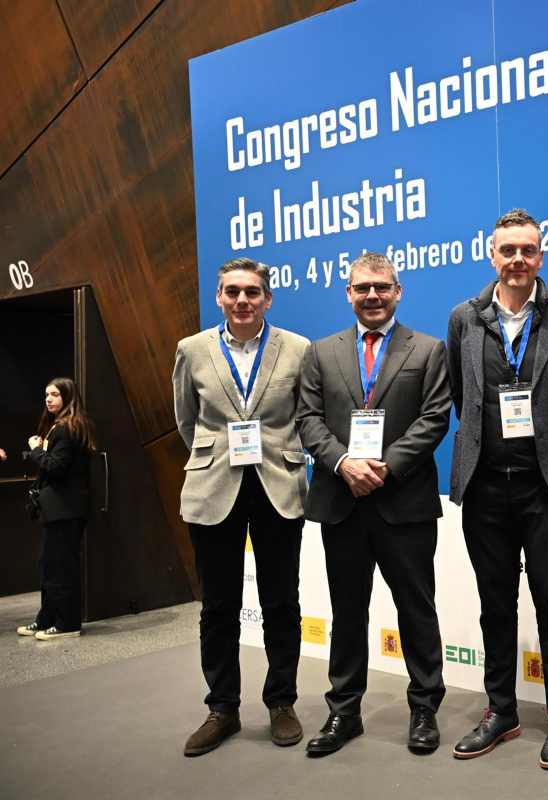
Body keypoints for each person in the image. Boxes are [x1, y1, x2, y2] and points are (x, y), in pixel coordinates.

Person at [446, 209, 548, 770]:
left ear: (541, 255)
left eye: (527, 250)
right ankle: (501, 710)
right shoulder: (464, 318)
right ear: (492, 255)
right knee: (494, 605)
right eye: (507, 251)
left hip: (546, 488)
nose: (517, 260)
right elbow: (464, 398)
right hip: (485, 488)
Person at [298, 252, 451, 757]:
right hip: (342, 502)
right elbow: (309, 419)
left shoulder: (428, 350)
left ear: (398, 290)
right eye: (362, 287)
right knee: (346, 611)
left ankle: (424, 709)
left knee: (416, 609)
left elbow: (433, 419)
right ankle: (344, 711)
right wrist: (343, 463)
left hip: (402, 501)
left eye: (382, 287)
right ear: (348, 292)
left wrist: (384, 466)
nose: (372, 296)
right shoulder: (321, 353)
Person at [172, 257, 310, 756]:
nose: (242, 301)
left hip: (278, 482)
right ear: (219, 298)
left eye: (252, 292)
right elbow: (186, 420)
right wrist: (216, 456)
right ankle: (222, 708)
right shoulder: (192, 350)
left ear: (267, 299)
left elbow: (304, 414)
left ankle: (281, 703)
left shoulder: (296, 348)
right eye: (232, 292)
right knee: (218, 605)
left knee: (281, 602)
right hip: (214, 487)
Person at [18, 378, 95, 642]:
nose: (49, 399)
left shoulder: (68, 427)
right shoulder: (61, 427)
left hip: (66, 508)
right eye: (46, 394)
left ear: (67, 397)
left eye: (55, 395)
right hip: (59, 509)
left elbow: (56, 467)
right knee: (50, 566)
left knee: (62, 568)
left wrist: (37, 449)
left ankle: (67, 623)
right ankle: (47, 619)